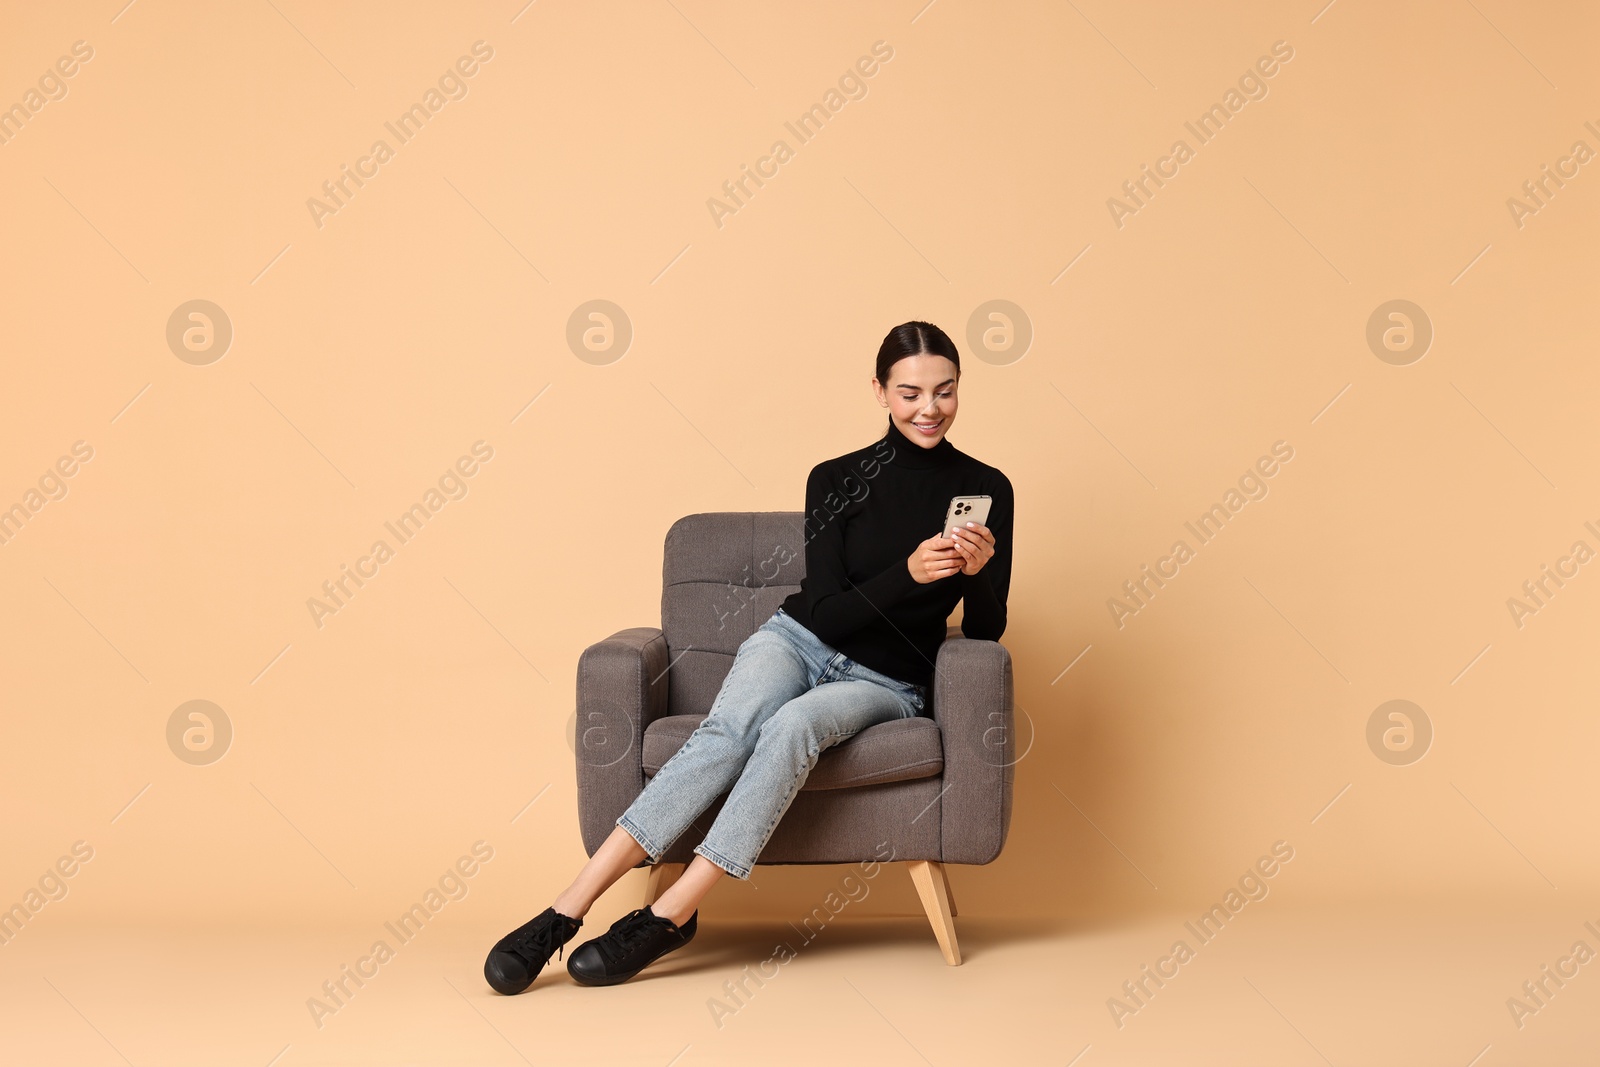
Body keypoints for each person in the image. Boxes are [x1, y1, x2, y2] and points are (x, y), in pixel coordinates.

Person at [484, 320, 1014, 993]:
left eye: (944, 392)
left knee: (793, 727)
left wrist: (979, 570)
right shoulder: (836, 479)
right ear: (880, 391)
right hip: (797, 639)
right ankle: (566, 908)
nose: (928, 408)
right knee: (728, 732)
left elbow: (988, 628)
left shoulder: (988, 485)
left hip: (889, 678)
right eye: (910, 392)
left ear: (959, 390)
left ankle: (671, 912)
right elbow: (827, 611)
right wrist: (909, 571)